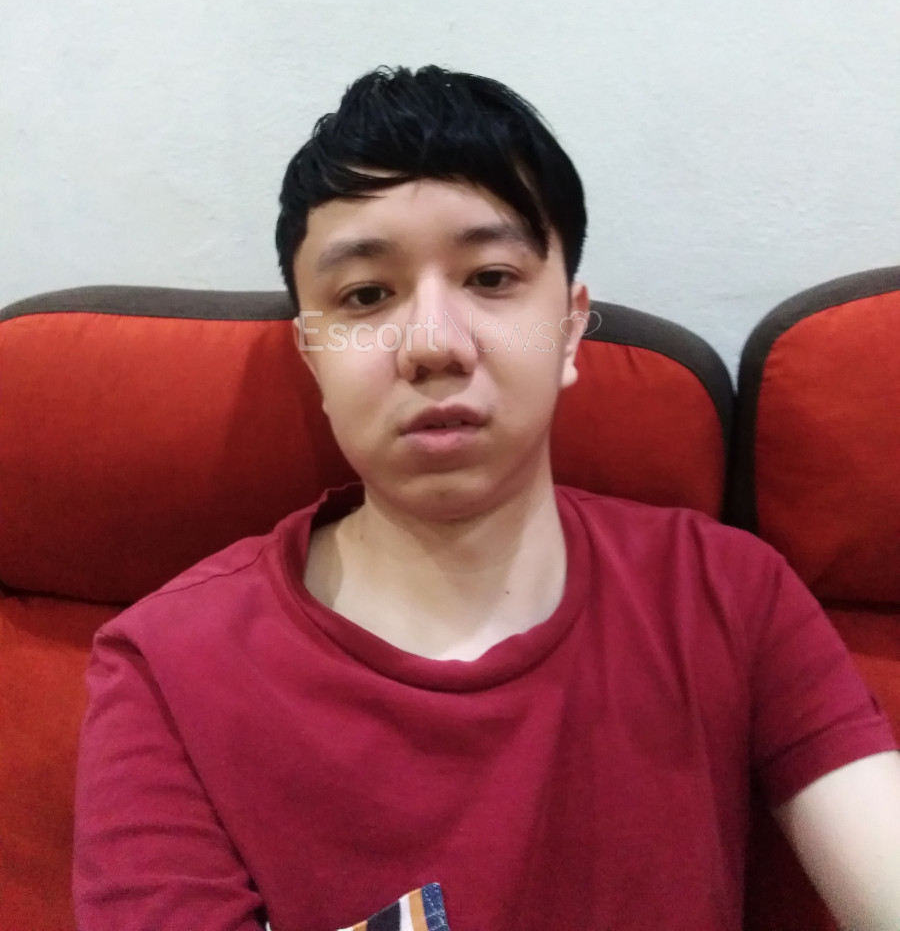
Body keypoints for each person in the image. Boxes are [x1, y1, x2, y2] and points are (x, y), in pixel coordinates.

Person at [73, 65, 900, 931]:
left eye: (492, 278)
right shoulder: (165, 668)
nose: (434, 344)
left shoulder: (728, 594)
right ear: (312, 355)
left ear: (570, 329)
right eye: (366, 295)